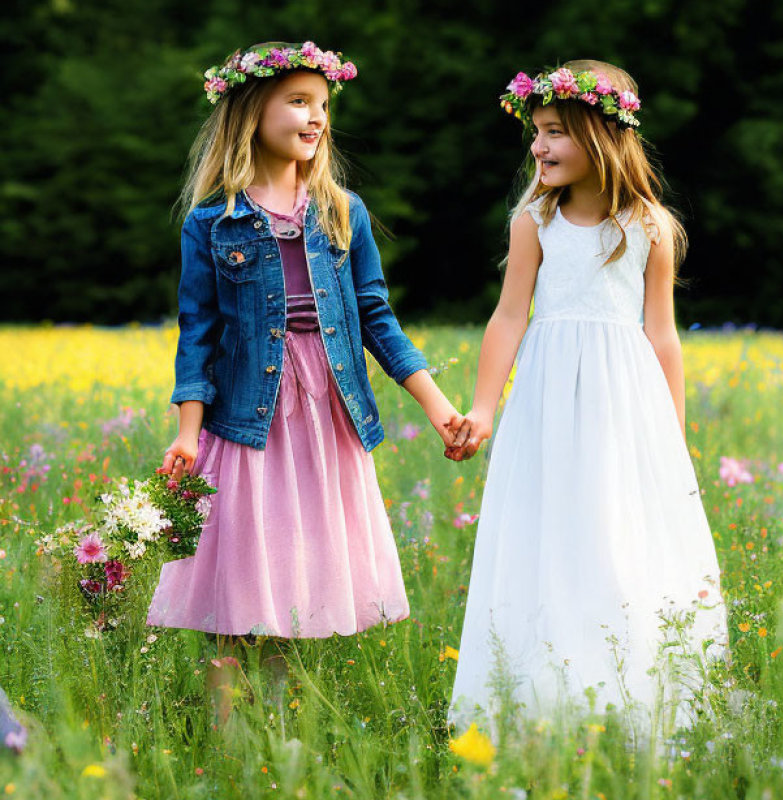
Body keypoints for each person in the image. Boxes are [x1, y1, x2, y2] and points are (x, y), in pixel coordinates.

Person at [145, 41, 463, 721]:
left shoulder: (342, 210)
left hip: (326, 410)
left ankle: (277, 737)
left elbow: (377, 316)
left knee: (292, 576)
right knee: (240, 581)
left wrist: (438, 407)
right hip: (247, 418)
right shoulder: (210, 222)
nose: (315, 117)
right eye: (298, 101)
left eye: (322, 105)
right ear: (251, 111)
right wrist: (186, 434)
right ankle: (231, 739)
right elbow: (196, 333)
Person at [448, 61, 728, 731]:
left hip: (623, 407)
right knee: (548, 535)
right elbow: (510, 315)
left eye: (554, 132)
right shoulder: (534, 222)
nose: (538, 148)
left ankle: (630, 698)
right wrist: (484, 407)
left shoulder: (650, 227)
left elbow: (661, 335)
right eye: (536, 133)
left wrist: (674, 439)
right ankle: (538, 700)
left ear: (602, 135)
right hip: (547, 404)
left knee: (615, 535)